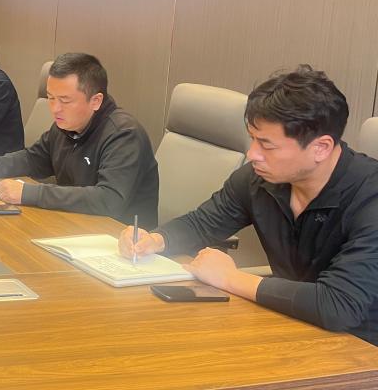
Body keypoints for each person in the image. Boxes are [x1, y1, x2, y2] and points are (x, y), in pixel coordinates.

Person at [119, 66, 378, 345]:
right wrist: (155, 240)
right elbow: (202, 224)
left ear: (321, 148)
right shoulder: (260, 179)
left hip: (359, 347)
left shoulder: (370, 198)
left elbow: (337, 305)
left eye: (267, 145)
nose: (252, 154)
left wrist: (230, 278)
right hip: (291, 325)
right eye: (252, 138)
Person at [0, 53, 158, 226]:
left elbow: (108, 199)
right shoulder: (66, 125)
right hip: (73, 225)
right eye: (51, 98)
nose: (55, 109)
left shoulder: (124, 134)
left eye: (65, 100)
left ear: (96, 101)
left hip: (119, 240)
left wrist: (29, 193)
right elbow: (34, 158)